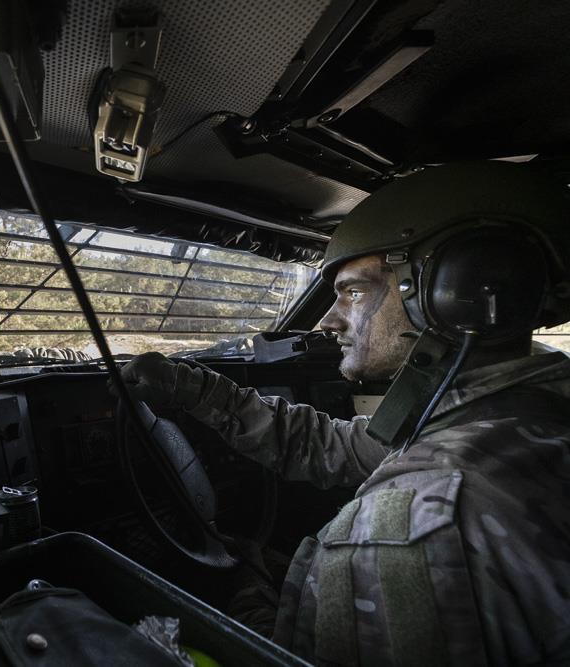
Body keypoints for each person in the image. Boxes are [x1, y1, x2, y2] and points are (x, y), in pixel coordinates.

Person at [115, 161, 570, 665]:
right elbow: (332, 445)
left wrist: (245, 591)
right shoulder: (521, 410)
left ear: (457, 289)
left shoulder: (408, 522)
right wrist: (195, 388)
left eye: (353, 291)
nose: (329, 321)